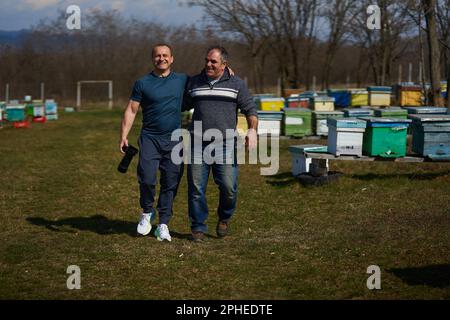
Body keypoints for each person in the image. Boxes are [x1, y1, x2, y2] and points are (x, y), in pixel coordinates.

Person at [184, 46, 258, 242]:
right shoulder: (194, 82)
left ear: (224, 64)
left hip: (225, 144)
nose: (208, 64)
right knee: (196, 187)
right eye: (207, 60)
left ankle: (224, 217)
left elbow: (250, 109)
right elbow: (178, 102)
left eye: (213, 62)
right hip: (197, 143)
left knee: (228, 186)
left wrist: (252, 130)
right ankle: (198, 226)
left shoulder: (236, 84)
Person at [119, 44, 187, 242]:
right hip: (149, 138)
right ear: (153, 59)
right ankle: (147, 212)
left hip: (174, 140)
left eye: (165, 55)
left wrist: (227, 71)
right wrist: (124, 135)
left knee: (170, 181)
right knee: (147, 178)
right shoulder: (142, 83)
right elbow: (131, 110)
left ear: (172, 58)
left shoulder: (182, 80)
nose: (161, 58)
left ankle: (163, 223)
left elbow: (207, 78)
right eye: (158, 56)